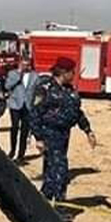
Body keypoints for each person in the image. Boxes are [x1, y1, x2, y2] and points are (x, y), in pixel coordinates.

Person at [30, 57, 97, 202]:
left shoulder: (69, 89)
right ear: (63, 72)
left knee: (51, 168)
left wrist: (88, 130)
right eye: (72, 72)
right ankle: (61, 204)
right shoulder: (45, 88)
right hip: (49, 133)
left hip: (63, 134)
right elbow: (35, 113)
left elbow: (77, 112)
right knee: (61, 169)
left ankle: (44, 199)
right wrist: (38, 138)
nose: (74, 74)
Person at [5, 58, 36, 160]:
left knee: (25, 130)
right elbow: (7, 86)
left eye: (27, 65)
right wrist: (19, 75)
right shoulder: (12, 74)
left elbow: (37, 90)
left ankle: (21, 154)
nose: (25, 67)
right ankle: (12, 150)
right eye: (23, 65)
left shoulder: (34, 76)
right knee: (14, 127)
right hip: (15, 104)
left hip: (28, 105)